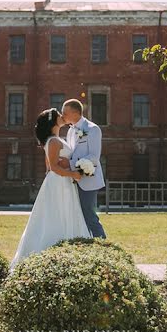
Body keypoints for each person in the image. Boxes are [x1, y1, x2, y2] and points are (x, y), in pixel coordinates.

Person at [9, 108, 90, 271]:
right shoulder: (53, 141)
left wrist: (70, 168)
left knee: (66, 213)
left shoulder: (56, 139)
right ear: (53, 121)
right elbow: (52, 167)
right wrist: (73, 173)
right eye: (59, 115)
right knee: (56, 215)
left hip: (63, 182)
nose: (63, 116)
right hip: (58, 182)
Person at [61, 98, 107, 239]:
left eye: (65, 113)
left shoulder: (93, 129)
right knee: (77, 215)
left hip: (89, 179)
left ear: (75, 113)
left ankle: (102, 244)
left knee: (89, 214)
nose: (62, 116)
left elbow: (93, 157)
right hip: (73, 180)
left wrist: (69, 165)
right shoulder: (70, 131)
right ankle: (86, 242)